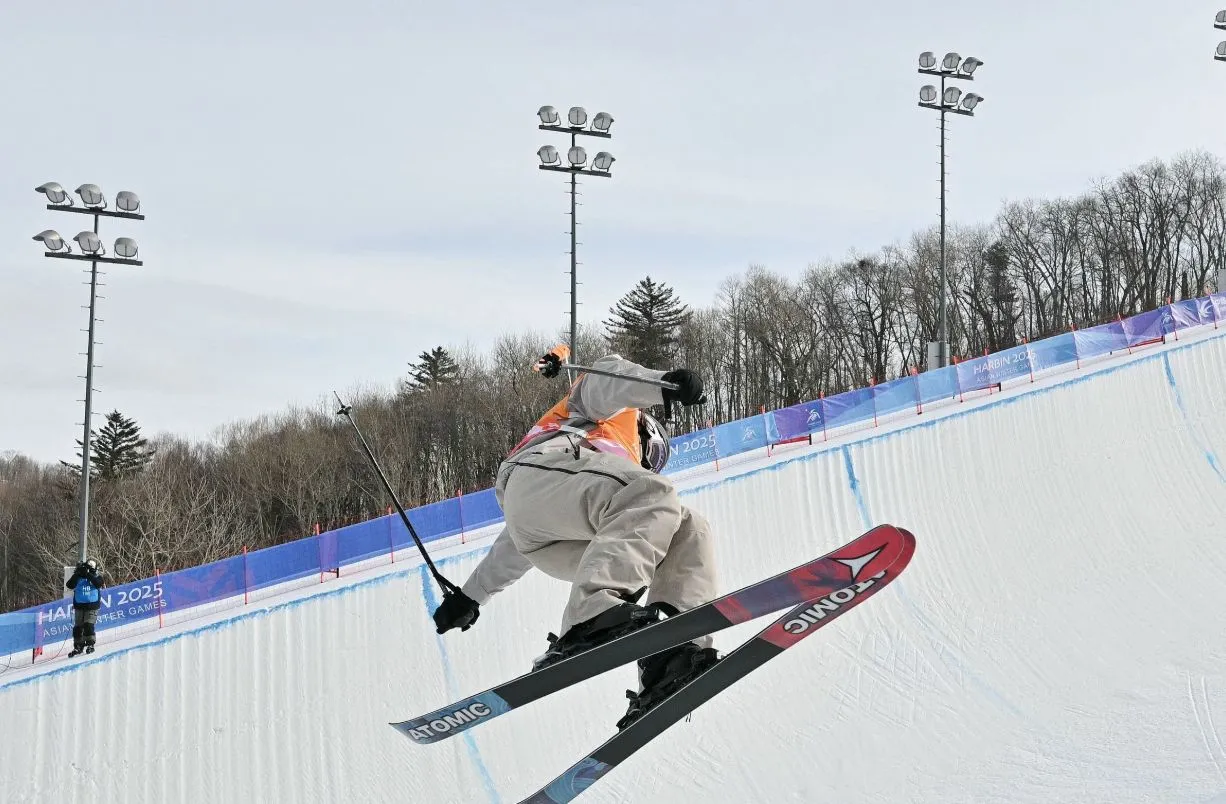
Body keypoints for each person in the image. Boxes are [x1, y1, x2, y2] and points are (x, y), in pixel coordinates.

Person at [432, 344, 720, 729]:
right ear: (646, 430)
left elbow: (516, 544)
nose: (647, 460)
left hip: (546, 531)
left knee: (687, 527)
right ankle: (590, 614)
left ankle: (672, 656)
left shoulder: (608, 473)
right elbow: (607, 376)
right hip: (542, 466)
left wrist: (471, 595)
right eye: (651, 451)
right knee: (653, 493)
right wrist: (662, 385)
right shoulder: (613, 415)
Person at [66, 558, 104, 657]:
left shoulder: (96, 576)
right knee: (77, 627)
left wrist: (88, 574)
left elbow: (98, 584)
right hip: (79, 606)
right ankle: (78, 646)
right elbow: (69, 585)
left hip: (92, 606)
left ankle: (90, 644)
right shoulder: (78, 577)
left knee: (88, 625)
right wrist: (78, 573)